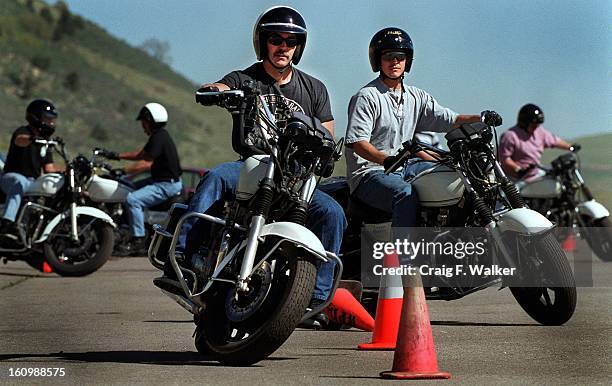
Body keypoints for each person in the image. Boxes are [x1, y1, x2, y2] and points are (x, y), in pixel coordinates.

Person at [180, 6, 347, 329]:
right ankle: (190, 257)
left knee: (333, 214)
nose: (283, 46)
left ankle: (316, 298)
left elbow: (328, 132)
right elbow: (222, 86)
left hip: (294, 178)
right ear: (263, 42)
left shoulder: (314, 89)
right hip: (253, 166)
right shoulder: (246, 79)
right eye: (276, 39)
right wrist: (214, 91)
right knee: (215, 177)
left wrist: (322, 145)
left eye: (291, 41)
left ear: (299, 47)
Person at [345, 27, 501, 230]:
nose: (394, 62)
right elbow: (358, 144)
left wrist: (481, 118)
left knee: (457, 176)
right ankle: (404, 258)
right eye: (388, 56)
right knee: (405, 194)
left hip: (406, 167)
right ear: (378, 60)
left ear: (407, 61)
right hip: (370, 173)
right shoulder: (367, 96)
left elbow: (449, 119)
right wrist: (387, 160)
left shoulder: (416, 97)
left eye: (400, 57)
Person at [100, 102, 183, 256]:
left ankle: (138, 239)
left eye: (144, 122)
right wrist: (115, 156)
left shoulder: (159, 137)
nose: (143, 126)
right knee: (126, 186)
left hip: (166, 185)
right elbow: (141, 154)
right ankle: (125, 228)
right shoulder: (159, 136)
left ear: (151, 120)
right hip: (161, 181)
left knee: (133, 200)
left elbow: (146, 162)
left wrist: (122, 170)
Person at [0, 99, 62, 232]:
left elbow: (49, 168)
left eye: (52, 120)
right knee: (20, 182)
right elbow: (19, 140)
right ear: (36, 117)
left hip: (33, 181)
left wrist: (66, 171)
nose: (50, 123)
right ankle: (7, 222)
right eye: (47, 119)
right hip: (12, 176)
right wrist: (32, 139)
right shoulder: (23, 131)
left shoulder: (46, 142)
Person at [498, 103, 574, 182]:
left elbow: (555, 141)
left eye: (537, 125)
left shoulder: (540, 132)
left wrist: (570, 147)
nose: (536, 127)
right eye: (533, 125)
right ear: (524, 123)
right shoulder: (509, 136)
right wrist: (518, 168)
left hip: (535, 175)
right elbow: (504, 159)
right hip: (515, 179)